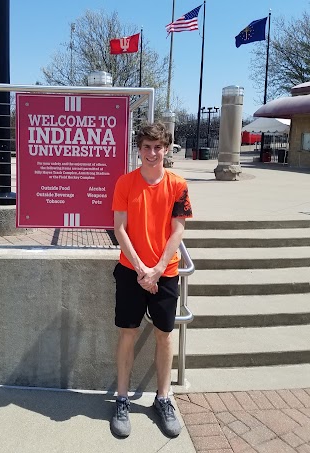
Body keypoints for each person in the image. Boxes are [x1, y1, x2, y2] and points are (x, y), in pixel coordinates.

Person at [110, 122, 192, 438]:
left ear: (167, 149)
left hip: (166, 272)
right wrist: (142, 268)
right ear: (139, 149)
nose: (152, 153)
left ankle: (163, 398)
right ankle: (121, 398)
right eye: (146, 147)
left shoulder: (178, 184)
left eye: (158, 147)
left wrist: (157, 268)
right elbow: (120, 229)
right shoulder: (125, 183)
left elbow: (178, 231)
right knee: (128, 333)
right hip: (132, 271)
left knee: (164, 335)